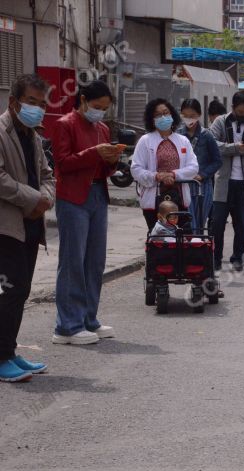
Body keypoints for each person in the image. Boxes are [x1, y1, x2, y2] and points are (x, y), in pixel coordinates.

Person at [52, 80, 123, 345]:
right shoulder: (64, 124)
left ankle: (88, 319)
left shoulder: (102, 128)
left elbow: (104, 170)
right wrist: (94, 153)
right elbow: (63, 163)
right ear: (82, 100)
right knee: (72, 261)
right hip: (72, 197)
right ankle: (67, 325)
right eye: (96, 106)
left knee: (95, 261)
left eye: (104, 108)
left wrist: (111, 160)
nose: (100, 112)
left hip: (97, 195)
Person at [0, 74, 54, 381]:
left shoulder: (33, 135)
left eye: (42, 104)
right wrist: (33, 198)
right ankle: (1, 357)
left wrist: (45, 199)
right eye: (31, 102)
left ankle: (9, 350)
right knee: (10, 290)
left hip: (32, 224)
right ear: (13, 101)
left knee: (21, 292)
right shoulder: (1, 130)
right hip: (7, 227)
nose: (37, 109)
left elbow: (48, 175)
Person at [209, 91, 244, 271]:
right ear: (233, 107)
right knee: (217, 223)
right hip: (223, 181)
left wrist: (228, 148)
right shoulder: (220, 122)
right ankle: (215, 258)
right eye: (241, 111)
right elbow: (213, 144)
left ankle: (238, 256)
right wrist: (235, 147)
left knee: (243, 224)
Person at [131, 98, 199, 230]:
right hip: (154, 201)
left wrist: (174, 174)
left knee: (182, 240)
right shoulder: (145, 141)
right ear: (151, 119)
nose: (163, 117)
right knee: (158, 241)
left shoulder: (183, 140)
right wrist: (157, 176)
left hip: (179, 199)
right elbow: (136, 169)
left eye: (166, 113)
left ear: (172, 115)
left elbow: (193, 167)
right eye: (158, 115)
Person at [178, 98, 222, 232]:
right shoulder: (178, 135)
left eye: (192, 116)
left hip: (202, 186)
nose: (188, 119)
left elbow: (217, 161)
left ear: (199, 115)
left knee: (198, 224)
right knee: (185, 223)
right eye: (185, 116)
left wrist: (203, 175)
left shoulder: (207, 135)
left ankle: (197, 249)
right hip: (183, 185)